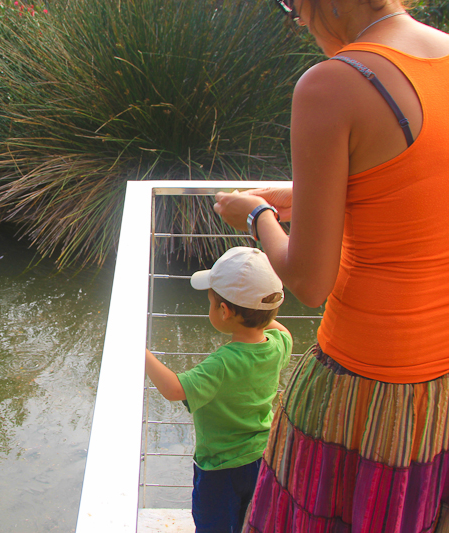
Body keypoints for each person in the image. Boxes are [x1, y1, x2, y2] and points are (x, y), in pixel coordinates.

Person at [211, 0, 449, 530]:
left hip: (363, 389)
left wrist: (255, 215)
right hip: (438, 383)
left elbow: (308, 282)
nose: (297, 19)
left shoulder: (334, 83)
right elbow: (418, 186)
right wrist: (309, 195)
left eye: (292, 6)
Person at [144, 246, 293, 532]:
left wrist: (141, 353)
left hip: (220, 469)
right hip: (263, 457)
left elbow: (175, 389)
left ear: (224, 311)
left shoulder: (223, 363)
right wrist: (258, 315)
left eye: (211, 302)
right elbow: (283, 332)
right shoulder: (277, 347)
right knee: (253, 520)